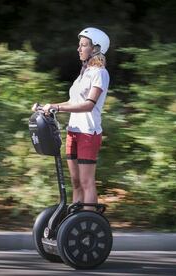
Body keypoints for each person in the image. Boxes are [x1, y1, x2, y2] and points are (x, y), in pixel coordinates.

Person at [32, 27, 110, 208]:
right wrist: (49, 107)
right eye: (80, 45)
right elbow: (72, 101)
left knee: (86, 181)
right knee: (75, 182)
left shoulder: (100, 73)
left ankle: (88, 223)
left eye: (83, 45)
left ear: (96, 49)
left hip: (88, 133)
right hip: (73, 131)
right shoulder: (83, 74)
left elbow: (89, 104)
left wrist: (57, 108)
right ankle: (74, 219)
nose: (79, 49)